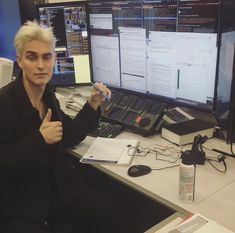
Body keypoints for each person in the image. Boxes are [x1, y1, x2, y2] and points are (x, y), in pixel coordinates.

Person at [0, 21, 124, 233]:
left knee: (111, 208)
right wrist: (38, 140)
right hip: (20, 201)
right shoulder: (5, 103)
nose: (41, 65)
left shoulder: (47, 96)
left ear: (54, 60)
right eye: (32, 57)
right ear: (20, 61)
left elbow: (70, 134)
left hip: (53, 188)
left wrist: (93, 103)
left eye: (46, 57)